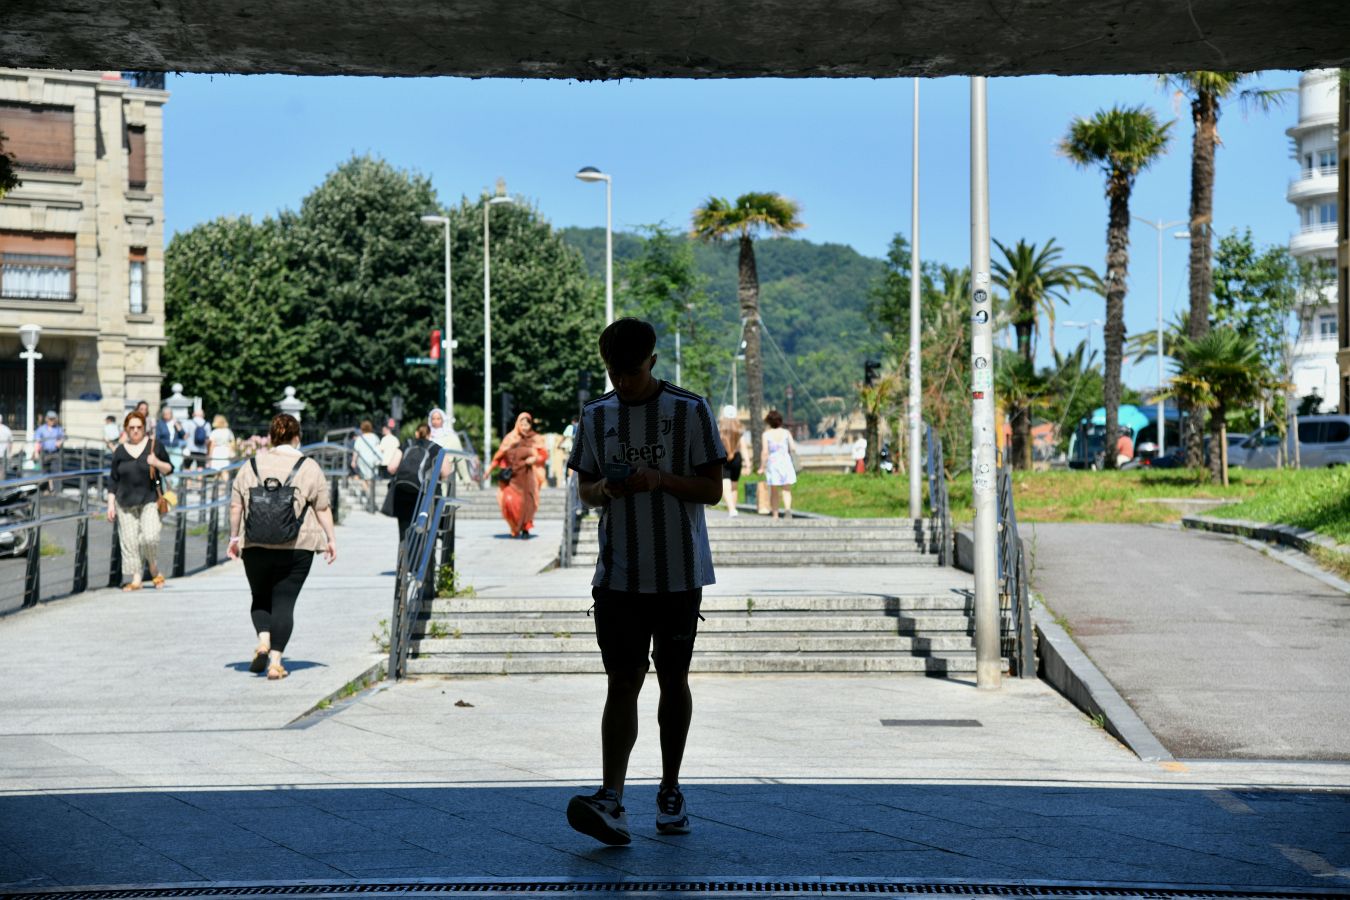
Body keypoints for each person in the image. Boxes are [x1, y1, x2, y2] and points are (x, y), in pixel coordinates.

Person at [564, 317, 726, 846]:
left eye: (631, 372)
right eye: (614, 372)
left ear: (653, 363)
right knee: (622, 681)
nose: (623, 383)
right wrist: (607, 492)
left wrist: (661, 480)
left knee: (673, 679)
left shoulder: (690, 409)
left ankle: (671, 789)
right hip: (618, 576)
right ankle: (611, 797)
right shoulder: (595, 414)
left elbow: (712, 489)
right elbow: (585, 488)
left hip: (679, 572)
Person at [227, 414, 337, 681]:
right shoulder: (309, 466)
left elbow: (236, 505)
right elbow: (321, 507)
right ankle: (276, 662)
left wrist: (234, 538)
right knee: (285, 603)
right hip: (297, 546)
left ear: (271, 436)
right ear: (297, 436)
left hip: (256, 543)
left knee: (260, 597)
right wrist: (331, 539)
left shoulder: (250, 465)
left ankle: (263, 640)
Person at [106, 411, 174, 590]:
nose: (135, 431)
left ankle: (153, 567)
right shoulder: (120, 451)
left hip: (149, 499)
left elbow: (169, 468)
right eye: (132, 428)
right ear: (126, 430)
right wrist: (110, 504)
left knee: (150, 536)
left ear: (144, 428)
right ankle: (136, 579)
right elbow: (113, 479)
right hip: (124, 501)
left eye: (139, 427)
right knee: (130, 541)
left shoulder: (154, 446)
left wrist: (156, 462)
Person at [384, 423, 454, 545]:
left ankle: (404, 560)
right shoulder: (436, 449)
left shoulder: (406, 445)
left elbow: (391, 467)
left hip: (404, 492)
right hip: (427, 495)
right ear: (430, 434)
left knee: (404, 532)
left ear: (416, 433)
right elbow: (446, 472)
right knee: (428, 531)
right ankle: (426, 561)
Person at [492, 412, 548, 539]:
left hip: (530, 476)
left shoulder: (536, 438)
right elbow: (500, 455)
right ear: (518, 424)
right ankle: (515, 527)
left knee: (529, 502)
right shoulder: (511, 438)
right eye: (522, 424)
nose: (524, 427)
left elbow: (544, 455)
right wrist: (489, 470)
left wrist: (535, 459)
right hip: (513, 477)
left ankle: (526, 527)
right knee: (510, 502)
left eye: (527, 424)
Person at [758, 409, 798, 521]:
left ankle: (775, 514)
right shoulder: (786, 433)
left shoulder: (766, 435)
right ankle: (787, 510)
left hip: (773, 462)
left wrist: (762, 467)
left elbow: (765, 452)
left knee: (774, 489)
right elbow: (793, 448)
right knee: (786, 489)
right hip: (785, 461)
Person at [717, 406, 752, 516]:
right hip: (737, 458)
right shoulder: (739, 430)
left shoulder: (720, 429)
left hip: (723, 458)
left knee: (725, 484)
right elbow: (743, 447)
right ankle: (733, 508)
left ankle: (731, 509)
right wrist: (748, 463)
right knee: (734, 485)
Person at [351, 419, 382, 489]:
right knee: (371, 478)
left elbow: (356, 451)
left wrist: (353, 461)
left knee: (364, 478)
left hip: (362, 460)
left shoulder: (360, 438)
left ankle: (367, 493)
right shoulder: (374, 437)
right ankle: (371, 494)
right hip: (372, 460)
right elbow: (378, 448)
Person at [155, 405, 186, 474]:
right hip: (165, 447)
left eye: (168, 413)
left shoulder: (176, 423)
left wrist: (178, 426)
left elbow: (183, 435)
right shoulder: (160, 424)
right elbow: (157, 437)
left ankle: (175, 482)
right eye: (165, 414)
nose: (167, 415)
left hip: (175, 447)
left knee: (176, 465)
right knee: (165, 466)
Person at [33, 411, 65, 475]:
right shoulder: (41, 429)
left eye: (53, 419)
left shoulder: (58, 429)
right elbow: (37, 441)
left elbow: (63, 437)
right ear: (46, 419)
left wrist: (60, 442)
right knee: (44, 473)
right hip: (45, 453)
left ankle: (55, 485)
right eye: (50, 419)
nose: (52, 421)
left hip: (55, 453)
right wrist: (36, 452)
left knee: (56, 474)